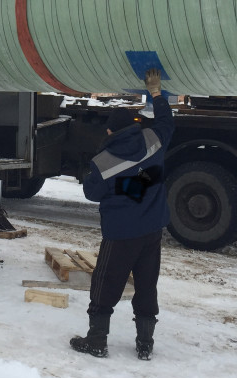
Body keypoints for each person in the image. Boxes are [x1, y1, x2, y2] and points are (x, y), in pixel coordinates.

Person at [70, 68, 174, 360]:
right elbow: (167, 122)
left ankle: (96, 340)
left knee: (105, 285)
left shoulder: (102, 161)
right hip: (152, 230)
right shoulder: (153, 140)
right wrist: (156, 92)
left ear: (108, 132)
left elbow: (92, 194)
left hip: (120, 234)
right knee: (146, 285)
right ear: (135, 126)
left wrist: (120, 188)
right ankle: (145, 344)